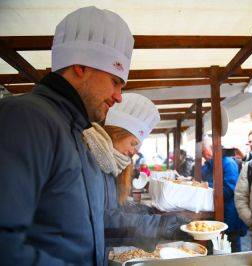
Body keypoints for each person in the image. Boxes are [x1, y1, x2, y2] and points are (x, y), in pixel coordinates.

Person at [0, 6, 133, 265]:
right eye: (115, 81)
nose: (119, 97)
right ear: (81, 66)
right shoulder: (27, 118)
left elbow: (92, 225)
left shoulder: (80, 135)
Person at [83, 93, 191, 254]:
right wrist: (160, 225)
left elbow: (115, 205)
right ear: (115, 133)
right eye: (133, 143)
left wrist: (149, 212)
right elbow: (100, 220)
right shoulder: (90, 161)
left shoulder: (110, 165)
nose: (134, 151)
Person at [201, 136, 248, 252]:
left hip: (229, 215)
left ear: (212, 148)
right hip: (214, 214)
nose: (202, 155)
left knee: (232, 248)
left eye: (203, 151)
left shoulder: (228, 163)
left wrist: (207, 186)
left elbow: (229, 190)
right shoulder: (207, 165)